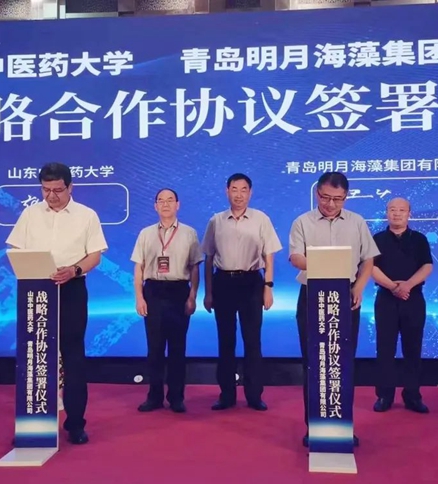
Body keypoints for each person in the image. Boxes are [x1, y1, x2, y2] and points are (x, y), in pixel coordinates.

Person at [6, 162, 108, 445]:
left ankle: (75, 424)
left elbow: (95, 255)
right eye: (46, 190)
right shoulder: (30, 214)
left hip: (71, 289)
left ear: (70, 187)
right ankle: (33, 425)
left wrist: (74, 270)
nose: (51, 196)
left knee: (73, 357)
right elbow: (16, 249)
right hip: (35, 291)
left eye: (57, 190)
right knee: (35, 356)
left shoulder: (87, 215)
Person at [289, 171, 380, 448]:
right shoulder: (302, 221)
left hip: (346, 295)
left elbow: (368, 260)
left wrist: (359, 287)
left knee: (343, 362)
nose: (331, 204)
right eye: (326, 197)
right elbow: (296, 258)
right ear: (317, 193)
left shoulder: (356, 222)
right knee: (313, 362)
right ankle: (314, 426)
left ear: (346, 197)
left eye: (338, 199)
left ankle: (342, 426)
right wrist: (327, 263)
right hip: (312, 295)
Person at [201, 173, 282, 411]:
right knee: (225, 341)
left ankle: (254, 395)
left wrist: (268, 287)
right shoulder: (216, 221)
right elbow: (208, 258)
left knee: (252, 341)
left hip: (251, 283)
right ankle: (226, 395)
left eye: (244, 189)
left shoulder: (261, 219)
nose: (239, 194)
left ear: (250, 192)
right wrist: (208, 292)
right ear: (227, 191)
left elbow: (269, 255)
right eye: (234, 189)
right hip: (223, 283)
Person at [131, 188, 203, 413]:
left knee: (177, 348)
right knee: (154, 348)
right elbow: (139, 267)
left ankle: (176, 397)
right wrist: (139, 297)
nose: (165, 204)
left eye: (170, 200)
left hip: (179, 291)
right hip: (153, 291)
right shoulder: (146, 233)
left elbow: (195, 267)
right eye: (160, 201)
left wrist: (192, 296)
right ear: (155, 206)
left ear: (177, 205)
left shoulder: (189, 233)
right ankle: (154, 397)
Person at [371, 197, 432, 414]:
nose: (397, 213)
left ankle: (412, 395)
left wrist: (407, 285)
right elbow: (371, 267)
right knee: (385, 348)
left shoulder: (419, 239)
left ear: (409, 214)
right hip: (386, 299)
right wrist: (393, 287)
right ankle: (384, 395)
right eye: (392, 209)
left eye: (402, 210)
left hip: (413, 298)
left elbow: (427, 266)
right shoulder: (376, 239)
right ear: (386, 213)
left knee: (413, 348)